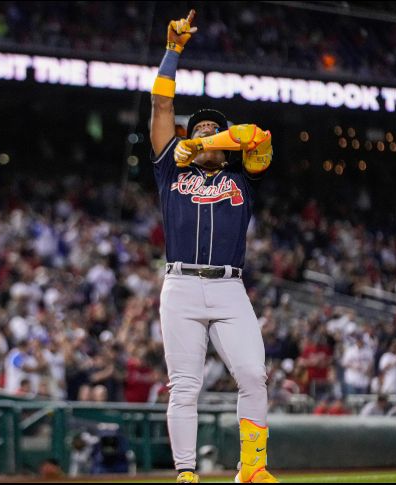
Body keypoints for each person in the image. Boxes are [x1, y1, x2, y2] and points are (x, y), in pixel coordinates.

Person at [149, 9, 276, 484]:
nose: (204, 134)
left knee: (252, 373)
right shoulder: (171, 169)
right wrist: (173, 51)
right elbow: (162, 110)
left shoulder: (243, 171)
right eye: (198, 129)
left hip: (229, 287)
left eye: (212, 132)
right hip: (180, 284)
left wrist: (206, 141)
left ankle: (253, 468)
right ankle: (187, 474)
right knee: (185, 386)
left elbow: (258, 139)